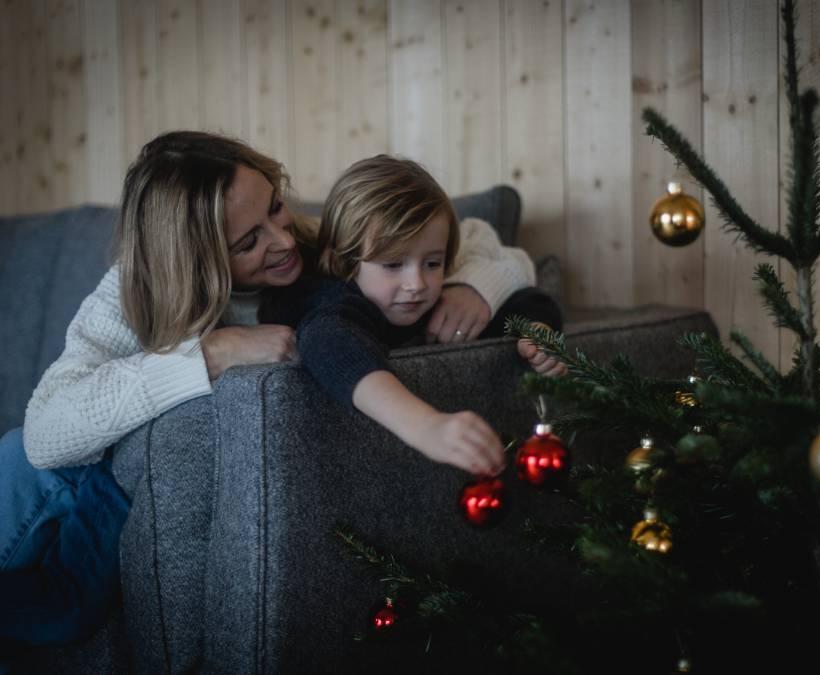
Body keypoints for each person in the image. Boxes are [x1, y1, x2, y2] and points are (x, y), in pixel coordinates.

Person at [0, 131, 538, 655]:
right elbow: (45, 437)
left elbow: (482, 240)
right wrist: (214, 352)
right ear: (195, 257)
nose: (282, 241)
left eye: (276, 208)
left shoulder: (316, 247)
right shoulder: (131, 291)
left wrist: (476, 290)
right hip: (50, 475)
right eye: (248, 241)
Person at [284, 155, 566, 476]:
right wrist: (426, 427)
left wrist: (537, 333)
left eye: (432, 263)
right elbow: (330, 343)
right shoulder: (335, 303)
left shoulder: (442, 298)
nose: (416, 284)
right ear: (341, 264)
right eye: (393, 265)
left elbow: (528, 302)